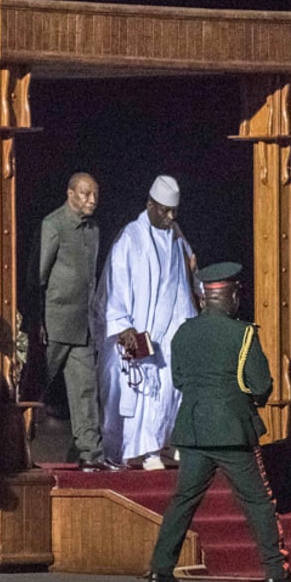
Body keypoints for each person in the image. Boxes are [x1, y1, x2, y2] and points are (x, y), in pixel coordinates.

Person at [146, 263, 291, 582]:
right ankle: (275, 572)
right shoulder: (242, 333)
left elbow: (179, 380)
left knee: (183, 501)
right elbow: (260, 384)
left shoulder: (184, 332)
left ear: (206, 296)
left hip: (193, 430)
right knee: (258, 502)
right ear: (232, 295)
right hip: (232, 432)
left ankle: (160, 570)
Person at [93, 175, 197, 469]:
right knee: (138, 390)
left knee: (170, 388)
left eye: (174, 210)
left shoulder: (177, 236)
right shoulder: (131, 237)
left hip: (170, 331)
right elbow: (116, 284)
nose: (170, 216)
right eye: (164, 210)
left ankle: (165, 444)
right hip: (136, 331)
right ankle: (139, 450)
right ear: (150, 204)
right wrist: (123, 324)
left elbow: (186, 280)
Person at [24, 173, 120, 471]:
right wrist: (35, 320)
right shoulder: (53, 225)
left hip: (82, 325)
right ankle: (18, 448)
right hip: (53, 325)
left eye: (95, 194)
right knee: (34, 389)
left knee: (85, 389)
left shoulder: (93, 229)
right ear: (70, 194)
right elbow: (35, 277)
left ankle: (91, 453)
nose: (92, 200)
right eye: (85, 193)